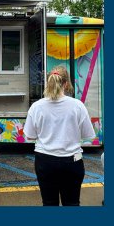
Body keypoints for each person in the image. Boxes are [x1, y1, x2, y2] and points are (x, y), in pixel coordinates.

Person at [24, 69, 96, 206]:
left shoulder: (36, 107)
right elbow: (88, 135)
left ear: (48, 83)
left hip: (45, 162)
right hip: (72, 162)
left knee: (49, 203)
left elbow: (30, 135)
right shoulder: (78, 106)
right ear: (66, 84)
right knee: (72, 203)